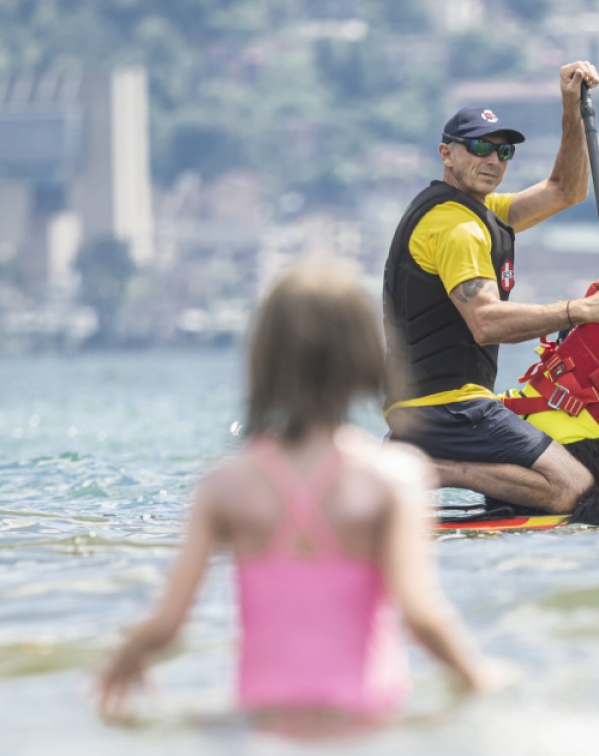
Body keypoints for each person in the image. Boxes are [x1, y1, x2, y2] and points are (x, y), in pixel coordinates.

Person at [97, 260, 499, 737]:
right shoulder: (394, 477)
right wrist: (479, 678)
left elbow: (168, 624)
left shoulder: (225, 484)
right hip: (365, 721)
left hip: (263, 723)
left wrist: (122, 662)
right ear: (363, 356)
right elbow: (421, 616)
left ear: (264, 361)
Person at [382, 61, 599, 515]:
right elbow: (485, 321)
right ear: (447, 154)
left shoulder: (481, 211)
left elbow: (566, 189)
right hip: (448, 408)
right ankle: (429, 468)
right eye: (479, 147)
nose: (492, 160)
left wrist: (570, 107)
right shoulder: (456, 228)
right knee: (572, 487)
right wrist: (584, 309)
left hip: (431, 407)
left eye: (503, 152)